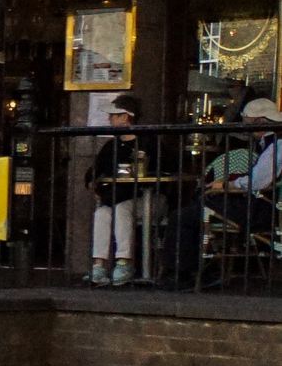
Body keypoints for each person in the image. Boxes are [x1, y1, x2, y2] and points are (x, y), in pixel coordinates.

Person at [177, 97, 280, 286]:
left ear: (262, 122)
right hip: (265, 206)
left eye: (248, 123)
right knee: (193, 211)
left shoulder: (276, 145)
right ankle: (194, 269)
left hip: (261, 209)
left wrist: (226, 185)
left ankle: (183, 273)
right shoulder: (272, 143)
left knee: (184, 216)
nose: (245, 128)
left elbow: (258, 182)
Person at [85, 95, 156, 286]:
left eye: (113, 116)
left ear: (125, 117)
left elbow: (167, 167)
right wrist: (93, 184)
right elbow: (92, 172)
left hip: (148, 198)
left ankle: (125, 262)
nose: (109, 119)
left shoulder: (149, 142)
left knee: (121, 209)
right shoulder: (112, 145)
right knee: (102, 213)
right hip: (119, 198)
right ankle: (99, 264)